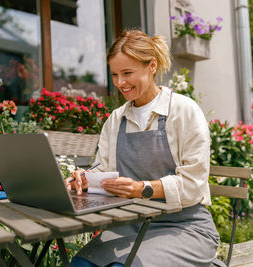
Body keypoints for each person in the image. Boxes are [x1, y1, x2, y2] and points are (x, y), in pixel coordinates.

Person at [65, 30, 220, 267]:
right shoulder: (116, 120)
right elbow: (102, 171)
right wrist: (85, 180)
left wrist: (141, 188)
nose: (120, 83)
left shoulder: (184, 111)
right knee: (80, 265)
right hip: (128, 225)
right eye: (115, 75)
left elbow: (193, 185)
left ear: (152, 66)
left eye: (127, 73)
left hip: (184, 227)